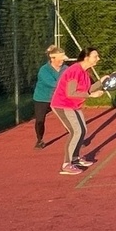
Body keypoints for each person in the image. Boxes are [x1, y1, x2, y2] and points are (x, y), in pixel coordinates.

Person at [50, 47, 106, 175]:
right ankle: (66, 164)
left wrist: (101, 82)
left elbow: (89, 89)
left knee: (83, 131)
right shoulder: (75, 70)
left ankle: (75, 159)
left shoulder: (85, 72)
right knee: (76, 131)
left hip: (74, 105)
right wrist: (91, 96)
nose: (98, 59)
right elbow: (71, 93)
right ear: (86, 58)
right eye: (95, 56)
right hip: (63, 104)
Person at [32, 45, 67, 149]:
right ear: (52, 59)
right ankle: (39, 140)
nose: (62, 61)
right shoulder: (44, 70)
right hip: (42, 98)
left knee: (68, 118)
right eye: (60, 59)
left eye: (63, 59)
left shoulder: (65, 68)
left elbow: (73, 78)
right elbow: (54, 84)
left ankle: (76, 137)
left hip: (58, 98)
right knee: (40, 120)